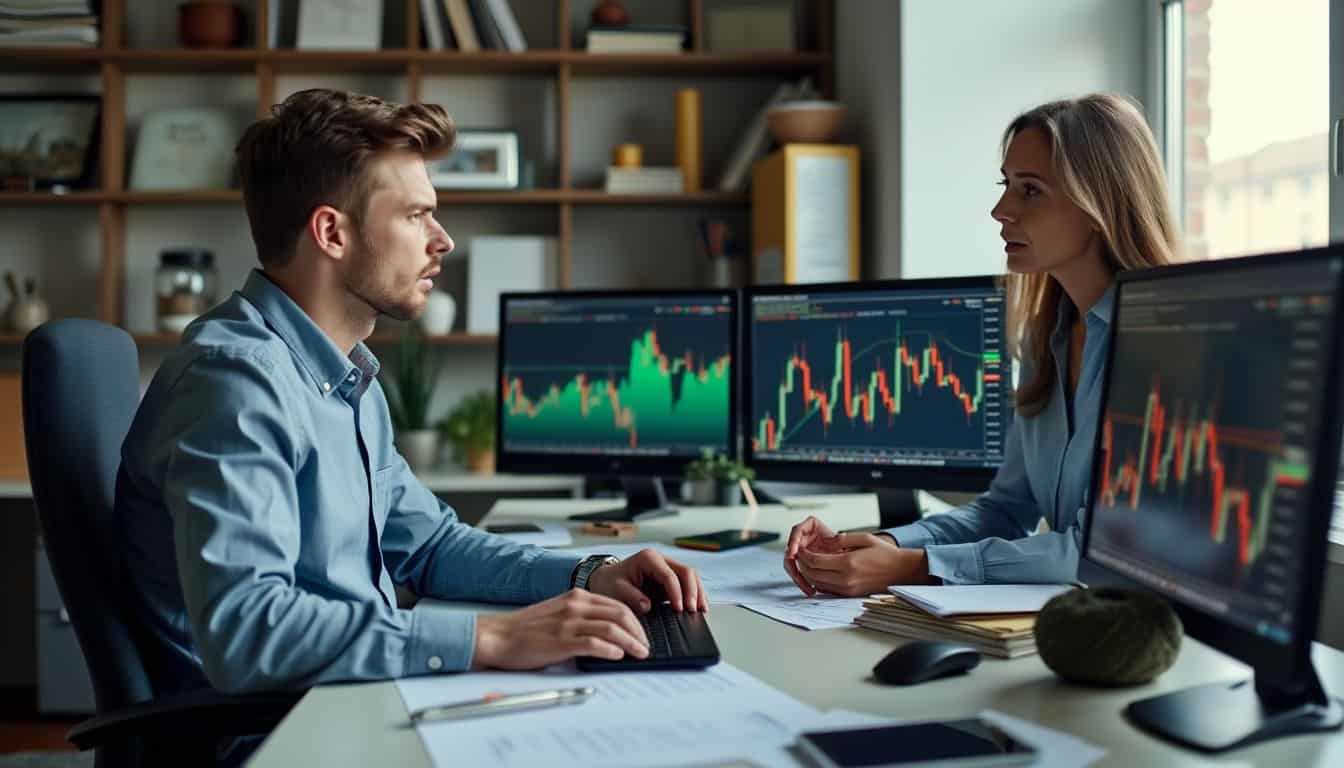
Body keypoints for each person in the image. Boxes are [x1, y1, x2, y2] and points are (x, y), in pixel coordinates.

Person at [114, 89, 707, 697]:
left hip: (351, 694)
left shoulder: (347, 381)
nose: (442, 239)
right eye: (416, 215)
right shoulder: (235, 383)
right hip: (273, 732)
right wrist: (492, 640)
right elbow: (249, 632)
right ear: (331, 233)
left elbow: (430, 546)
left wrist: (587, 574)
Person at [784, 93, 1181, 594]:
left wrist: (917, 567)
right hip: (1066, 620)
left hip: (1143, 638)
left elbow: (1104, 551)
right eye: (1006, 185)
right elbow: (1007, 509)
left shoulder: (1161, 348)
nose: (1000, 210)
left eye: (1030, 190)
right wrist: (878, 545)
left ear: (1099, 204)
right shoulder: (1044, 341)